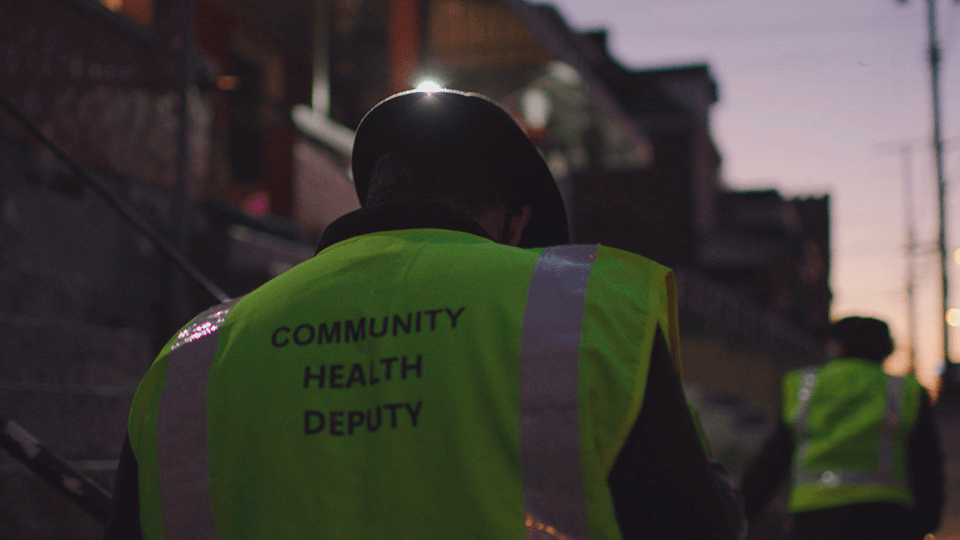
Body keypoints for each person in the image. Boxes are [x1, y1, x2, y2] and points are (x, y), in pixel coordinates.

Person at [104, 89, 743, 539]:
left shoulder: (196, 350)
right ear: (515, 220)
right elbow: (695, 523)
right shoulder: (585, 310)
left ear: (376, 193)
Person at [739, 316, 945, 540]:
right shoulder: (904, 391)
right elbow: (926, 461)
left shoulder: (804, 385)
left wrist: (742, 512)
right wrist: (926, 522)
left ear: (834, 346)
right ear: (888, 348)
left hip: (815, 517)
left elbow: (774, 457)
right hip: (887, 517)